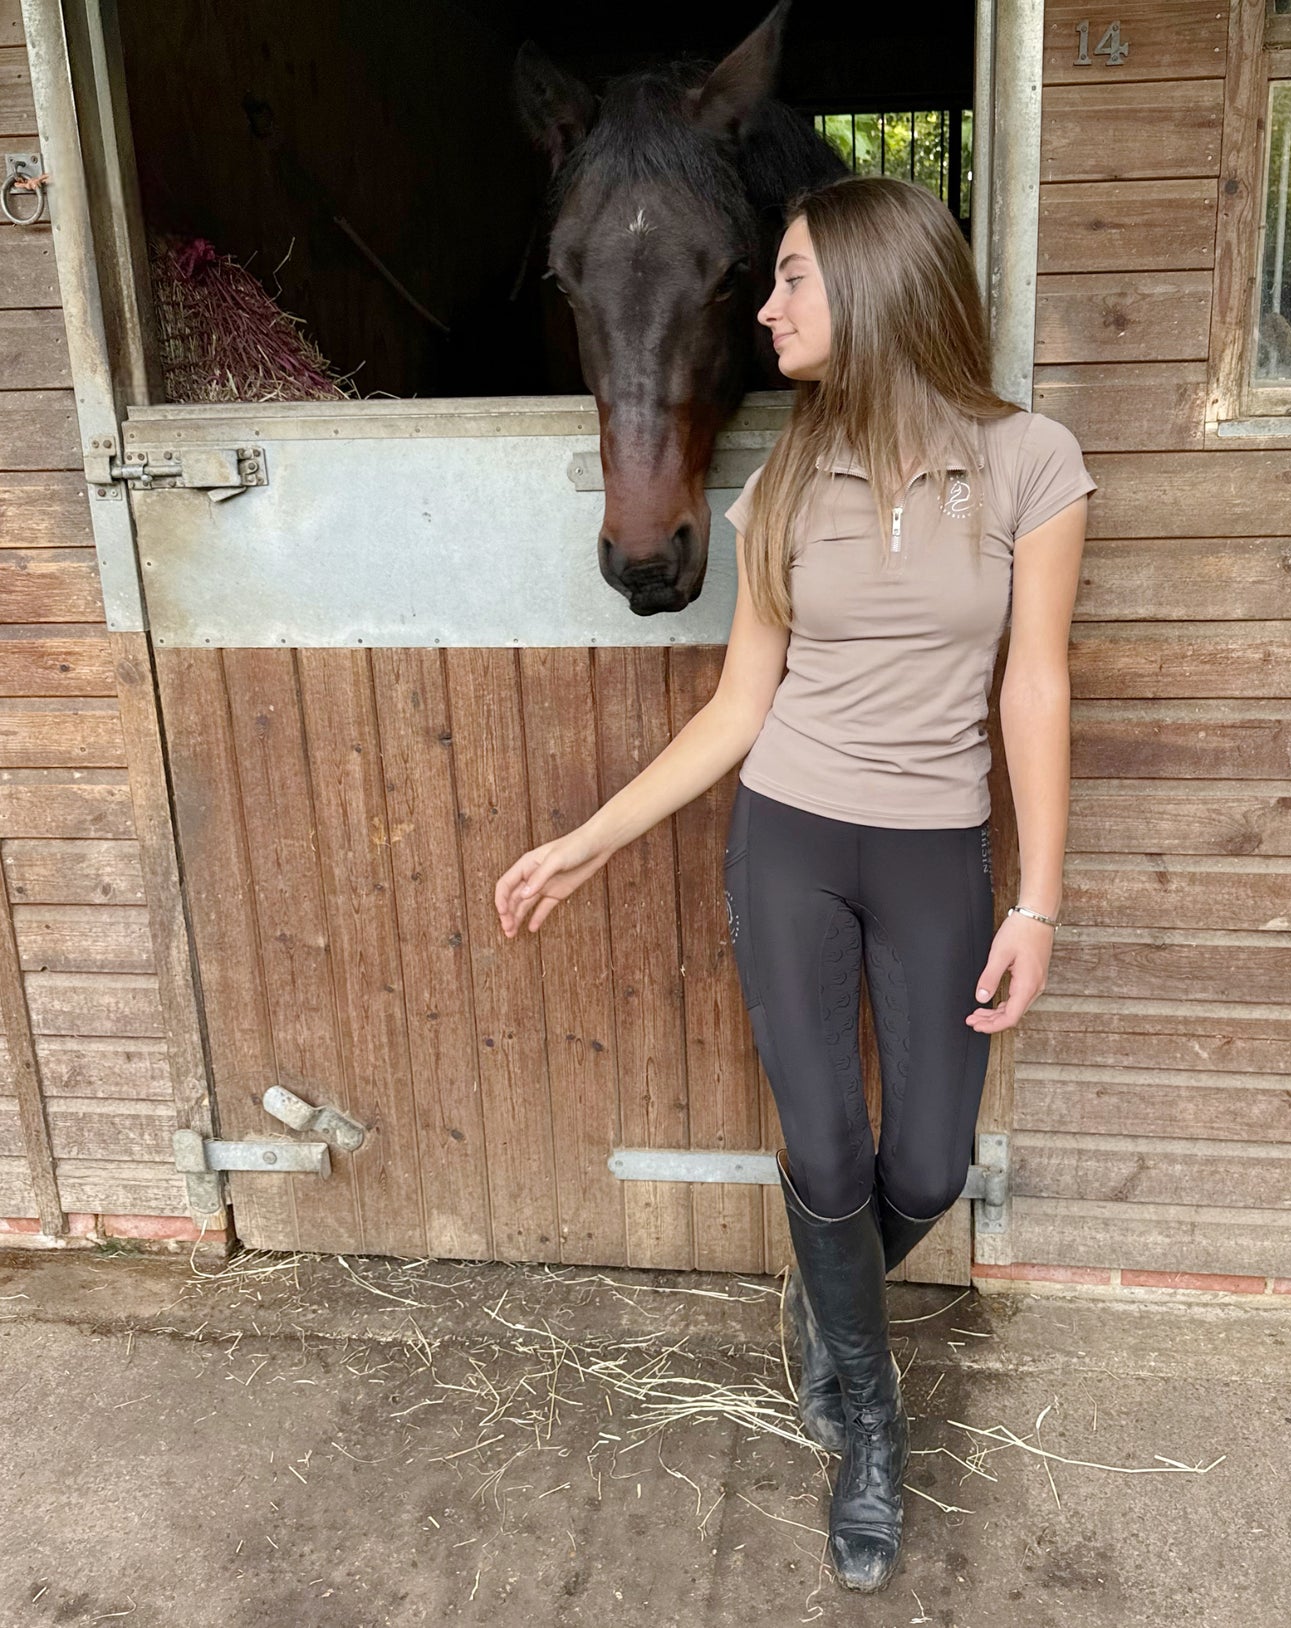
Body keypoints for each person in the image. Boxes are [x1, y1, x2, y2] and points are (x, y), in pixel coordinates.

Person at [494, 174, 1096, 1594]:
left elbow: (1035, 685)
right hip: (790, 846)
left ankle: (828, 1321)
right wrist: (590, 838)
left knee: (928, 1164)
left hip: (935, 848)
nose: (764, 309)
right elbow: (734, 709)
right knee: (825, 1153)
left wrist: (1039, 901)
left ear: (877, 284)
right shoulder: (777, 485)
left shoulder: (1029, 465)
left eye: (789, 280)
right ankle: (869, 1431)